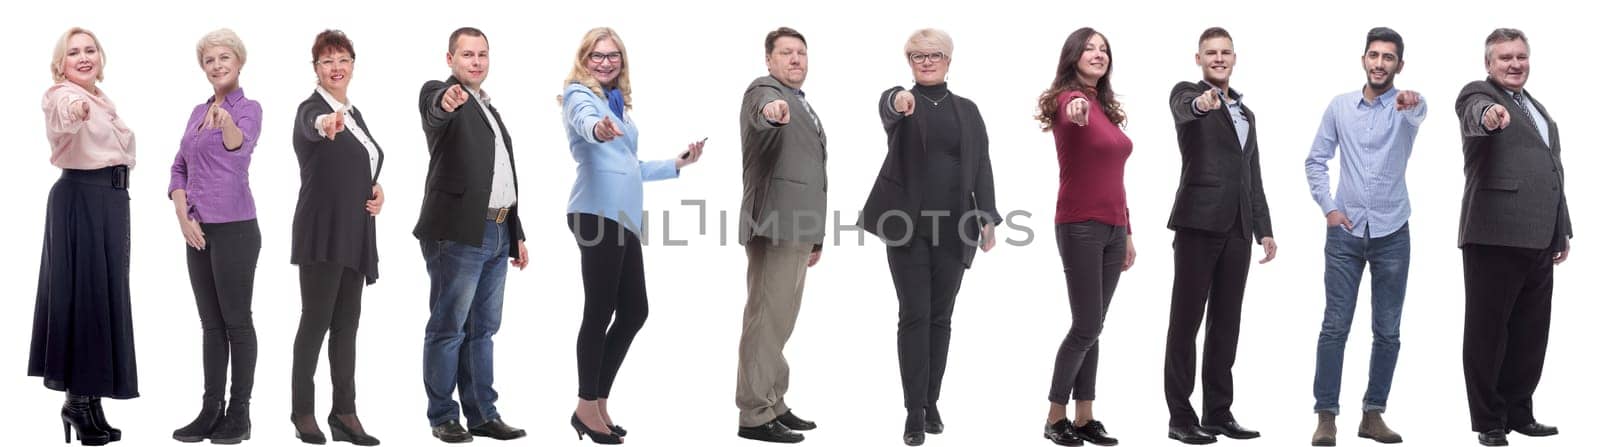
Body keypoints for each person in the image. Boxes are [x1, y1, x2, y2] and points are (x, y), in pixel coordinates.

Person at [558, 27, 707, 445]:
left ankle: (598, 401)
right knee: (599, 310)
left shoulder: (618, 105)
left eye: (613, 56)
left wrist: (677, 163)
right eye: (597, 56)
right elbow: (587, 125)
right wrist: (597, 129)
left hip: (622, 217)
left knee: (635, 310)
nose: (606, 62)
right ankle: (586, 406)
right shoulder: (579, 96)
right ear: (584, 60)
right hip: (594, 212)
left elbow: (631, 166)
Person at [859, 28, 999, 447]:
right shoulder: (903, 102)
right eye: (917, 55)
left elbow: (982, 164)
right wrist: (898, 99)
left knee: (941, 318)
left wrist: (988, 216)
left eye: (934, 54)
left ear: (949, 60)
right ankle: (914, 411)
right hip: (908, 227)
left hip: (956, 227)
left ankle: (932, 400)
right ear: (909, 62)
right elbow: (888, 103)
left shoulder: (968, 111)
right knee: (915, 314)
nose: (926, 61)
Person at [1302, 26, 1421, 447]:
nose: (1379, 63)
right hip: (1346, 233)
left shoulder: (1407, 108)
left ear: (1399, 65)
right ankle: (1326, 416)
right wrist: (1329, 209)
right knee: (1335, 326)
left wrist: (1411, 100)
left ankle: (1373, 414)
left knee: (1387, 329)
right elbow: (1316, 160)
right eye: (1374, 55)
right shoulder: (1339, 107)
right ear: (1363, 59)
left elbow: (1417, 107)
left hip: (1392, 231)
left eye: (1388, 58)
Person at [1454, 28, 1570, 447]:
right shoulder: (1478, 95)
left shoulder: (1537, 108)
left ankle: (1519, 411)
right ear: (1489, 63)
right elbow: (1475, 114)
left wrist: (1562, 228)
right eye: (1505, 58)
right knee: (1488, 332)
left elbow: (1553, 171)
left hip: (1539, 237)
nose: (1514, 64)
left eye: (1521, 56)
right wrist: (1489, 117)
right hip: (1494, 235)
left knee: (1530, 331)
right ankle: (1489, 420)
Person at [1162, 26, 1277, 445]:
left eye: (1225, 52)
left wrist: (1263, 229)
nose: (1218, 58)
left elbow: (1254, 175)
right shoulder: (1188, 94)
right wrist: (1201, 102)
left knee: (1226, 323)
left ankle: (1217, 413)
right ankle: (1180, 416)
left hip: (1238, 228)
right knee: (1185, 322)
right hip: (1197, 222)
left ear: (1234, 57)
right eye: (1210, 53)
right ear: (1199, 59)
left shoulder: (1247, 114)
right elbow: (1184, 108)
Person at [415, 26, 529, 444]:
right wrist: (445, 101)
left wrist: (515, 233)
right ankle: (443, 416)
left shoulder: (489, 109)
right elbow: (435, 109)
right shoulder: (443, 93)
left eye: (482, 54)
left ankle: (482, 413)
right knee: (449, 327)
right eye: (467, 55)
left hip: (498, 229)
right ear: (451, 60)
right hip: (459, 232)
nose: (476, 61)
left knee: (483, 329)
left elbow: (502, 176)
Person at [31, 26, 138, 447]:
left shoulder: (103, 100)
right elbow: (65, 113)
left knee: (103, 297)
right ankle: (76, 404)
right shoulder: (62, 95)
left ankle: (90, 401)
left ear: (101, 57)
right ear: (61, 64)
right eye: (73, 52)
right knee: (85, 297)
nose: (83, 56)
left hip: (109, 202)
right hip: (81, 199)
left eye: (89, 49)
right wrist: (74, 111)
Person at [1031, 27, 1133, 447]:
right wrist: (1074, 103)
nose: (1098, 53)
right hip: (1079, 225)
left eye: (1104, 49)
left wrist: (1127, 231)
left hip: (1113, 228)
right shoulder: (1066, 101)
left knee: (1096, 326)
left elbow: (1117, 178)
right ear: (1073, 56)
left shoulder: (1105, 108)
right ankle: (1055, 417)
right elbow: (1071, 105)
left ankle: (1085, 416)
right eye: (1089, 48)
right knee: (1086, 324)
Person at [169, 28, 264, 445]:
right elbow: (178, 168)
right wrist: (181, 215)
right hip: (197, 230)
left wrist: (226, 122)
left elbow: (238, 149)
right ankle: (211, 410)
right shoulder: (196, 111)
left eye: (225, 58)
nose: (217, 66)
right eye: (210, 60)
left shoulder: (249, 108)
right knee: (210, 325)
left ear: (238, 63)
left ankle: (239, 413)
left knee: (236, 323)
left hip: (236, 230)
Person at [289, 29, 384, 447]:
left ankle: (344, 413)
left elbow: (363, 162)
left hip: (356, 232)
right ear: (316, 70)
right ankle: (303, 411)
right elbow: (314, 128)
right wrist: (326, 123)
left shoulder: (356, 114)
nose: (336, 67)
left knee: (347, 327)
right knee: (316, 323)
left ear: (352, 65)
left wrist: (377, 188)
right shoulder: (312, 109)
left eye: (342, 59)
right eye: (327, 61)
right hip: (322, 231)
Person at [735, 26, 827, 444]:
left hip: (798, 228)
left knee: (781, 321)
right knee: (764, 320)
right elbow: (763, 113)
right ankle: (754, 415)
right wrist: (772, 110)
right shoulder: (764, 91)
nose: (795, 59)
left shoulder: (803, 102)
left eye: (801, 53)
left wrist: (816, 236)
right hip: (773, 225)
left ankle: (774, 401)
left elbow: (812, 173)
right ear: (769, 60)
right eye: (786, 53)